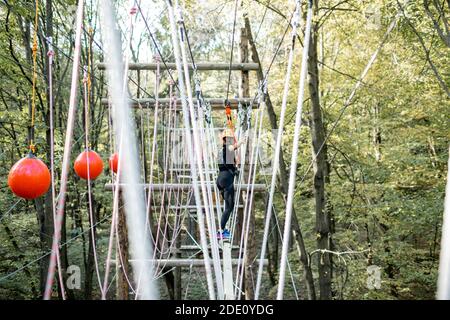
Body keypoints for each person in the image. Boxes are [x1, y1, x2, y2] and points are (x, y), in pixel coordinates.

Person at [216, 128, 246, 240]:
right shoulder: (227, 148)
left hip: (221, 180)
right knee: (229, 207)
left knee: (229, 206)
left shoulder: (222, 151)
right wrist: (241, 142)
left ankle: (223, 229)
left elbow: (228, 164)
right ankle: (220, 230)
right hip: (226, 180)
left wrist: (235, 165)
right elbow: (231, 148)